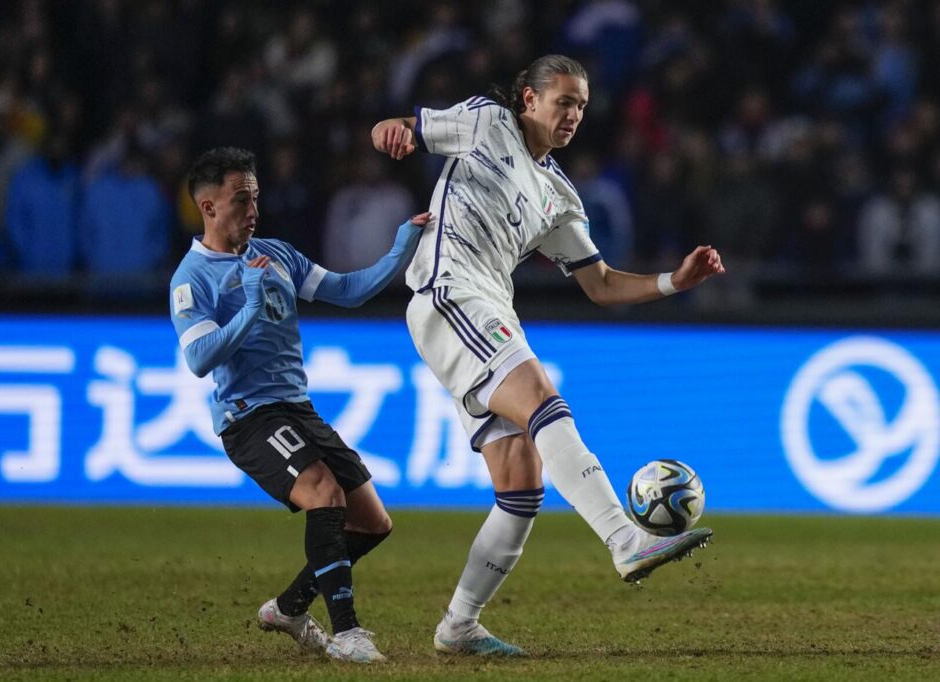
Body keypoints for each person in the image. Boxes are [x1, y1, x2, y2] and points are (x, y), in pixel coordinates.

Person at [371, 54, 726, 657]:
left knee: (520, 485)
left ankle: (458, 626)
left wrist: (673, 283)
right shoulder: (487, 122)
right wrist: (393, 129)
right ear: (528, 101)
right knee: (542, 399)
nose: (574, 115)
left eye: (582, 106)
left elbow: (602, 284)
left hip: (491, 308)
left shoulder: (558, 193)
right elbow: (404, 126)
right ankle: (623, 539)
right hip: (448, 291)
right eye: (563, 101)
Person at [169, 147, 428, 663]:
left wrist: (403, 245)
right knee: (323, 493)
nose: (253, 210)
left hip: (298, 408)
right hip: (249, 417)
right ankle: (349, 634)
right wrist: (247, 304)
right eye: (241, 199)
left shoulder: (277, 255)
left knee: (373, 523)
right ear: (208, 207)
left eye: (256, 197)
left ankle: (288, 608)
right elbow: (199, 358)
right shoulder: (191, 278)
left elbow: (349, 291)